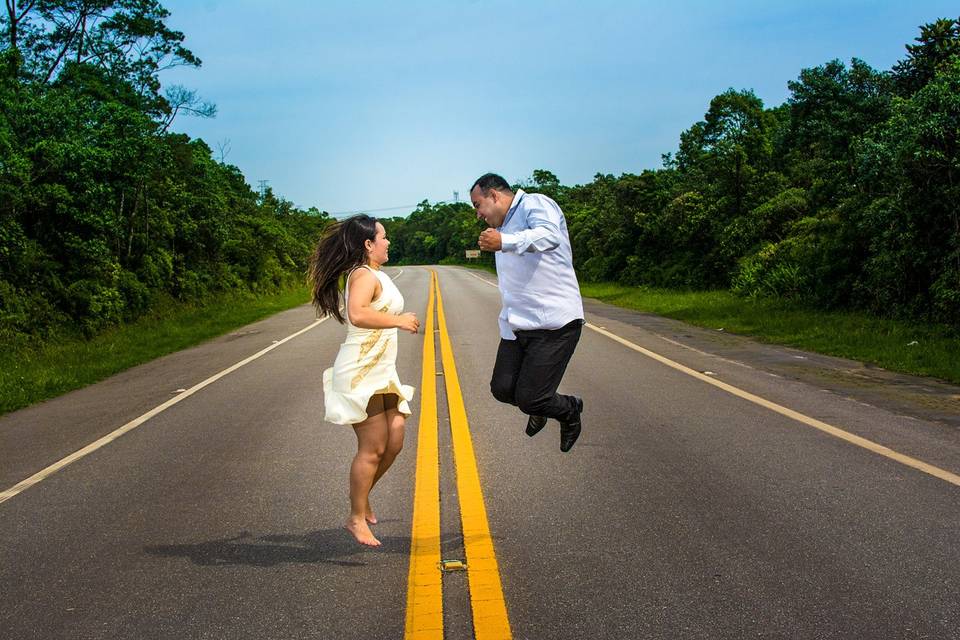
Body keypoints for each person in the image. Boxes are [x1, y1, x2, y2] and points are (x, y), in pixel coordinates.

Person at [308, 215, 419, 547]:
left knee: (395, 439)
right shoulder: (362, 275)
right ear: (368, 244)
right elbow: (357, 313)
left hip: (381, 370)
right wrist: (399, 320)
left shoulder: (376, 274)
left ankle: (362, 497)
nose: (388, 242)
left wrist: (398, 320)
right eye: (383, 237)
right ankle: (356, 517)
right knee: (373, 448)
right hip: (361, 371)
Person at [471, 173, 585, 452]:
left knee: (531, 398)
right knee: (502, 389)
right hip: (517, 325)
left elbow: (549, 236)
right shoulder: (503, 228)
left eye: (478, 205)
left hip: (553, 324)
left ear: (495, 195)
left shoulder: (534, 203)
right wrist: (503, 240)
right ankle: (538, 401)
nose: (478, 214)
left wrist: (504, 242)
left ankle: (569, 410)